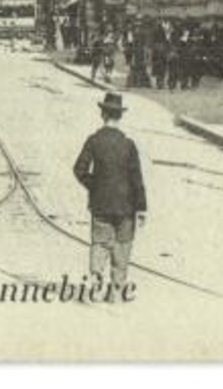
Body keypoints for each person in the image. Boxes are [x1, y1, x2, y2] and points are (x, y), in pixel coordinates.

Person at [71, 92, 147, 300]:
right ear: (119, 116)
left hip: (101, 204)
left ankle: (95, 285)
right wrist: (141, 208)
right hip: (126, 207)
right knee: (122, 246)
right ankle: (116, 292)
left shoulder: (94, 141)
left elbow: (79, 169)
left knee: (100, 243)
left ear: (102, 114)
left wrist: (94, 186)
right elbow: (137, 179)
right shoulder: (129, 145)